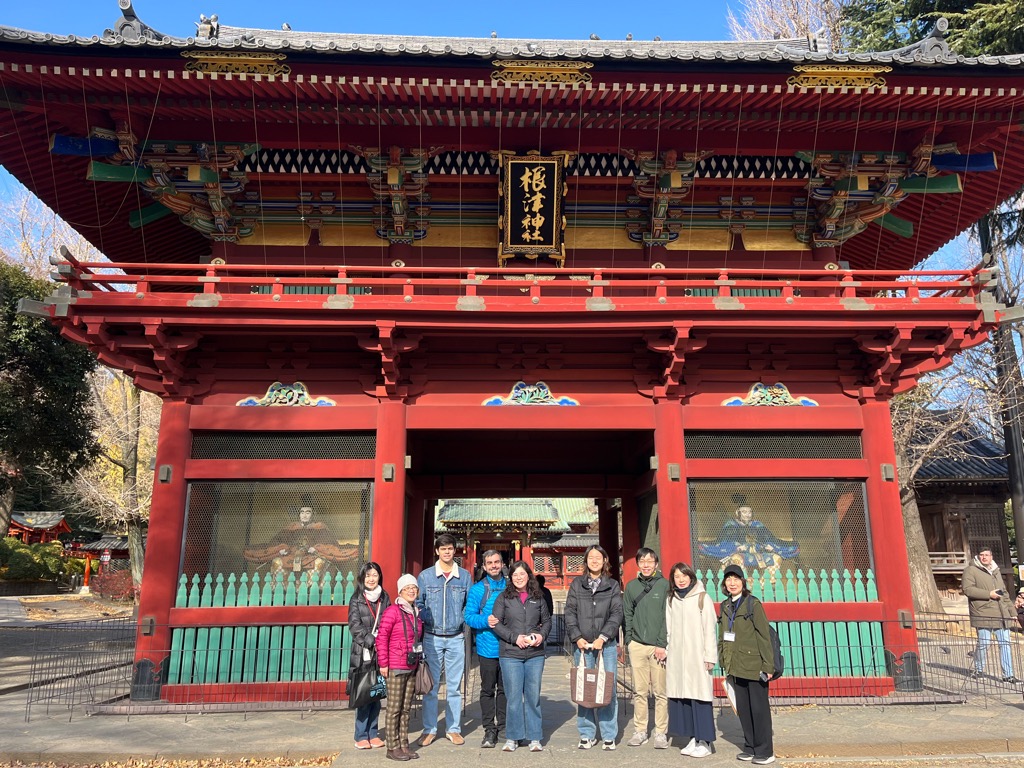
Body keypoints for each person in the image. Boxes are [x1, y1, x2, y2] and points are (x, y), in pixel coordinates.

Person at [564, 544, 624, 751]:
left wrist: (603, 637)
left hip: (605, 644)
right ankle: (586, 733)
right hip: (582, 644)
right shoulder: (577, 585)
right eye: (591, 558)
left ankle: (608, 734)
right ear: (586, 561)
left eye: (599, 557)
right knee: (584, 688)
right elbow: (569, 612)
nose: (595, 561)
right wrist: (577, 637)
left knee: (608, 687)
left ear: (605, 561)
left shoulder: (612, 585)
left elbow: (617, 613)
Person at [416, 533, 472, 746]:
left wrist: (463, 625)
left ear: (454, 551)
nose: (447, 552)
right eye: (443, 548)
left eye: (450, 548)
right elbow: (418, 603)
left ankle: (453, 728)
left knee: (454, 687)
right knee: (431, 687)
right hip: (432, 638)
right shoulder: (426, 576)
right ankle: (429, 729)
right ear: (437, 551)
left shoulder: (464, 576)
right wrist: (426, 617)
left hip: (456, 637)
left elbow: (469, 605)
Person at [491, 560, 552, 753]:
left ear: (528, 576)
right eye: (515, 575)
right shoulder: (504, 597)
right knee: (514, 697)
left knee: (533, 696)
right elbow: (496, 623)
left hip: (535, 654)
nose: (518, 578)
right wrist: (514, 637)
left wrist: (540, 636)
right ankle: (513, 737)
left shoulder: (538, 597)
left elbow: (547, 621)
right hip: (511, 653)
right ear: (511, 577)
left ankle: (534, 737)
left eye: (522, 574)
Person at [718, 564, 775, 765]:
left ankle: (765, 750)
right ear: (724, 583)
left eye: (736, 578)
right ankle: (750, 746)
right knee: (743, 708)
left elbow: (764, 636)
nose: (732, 583)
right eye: (728, 579)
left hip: (754, 664)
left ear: (743, 581)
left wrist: (768, 666)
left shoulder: (753, 604)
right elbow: (722, 636)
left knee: (759, 709)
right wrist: (723, 659)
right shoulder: (725, 606)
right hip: (735, 664)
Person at [665, 562, 718, 759]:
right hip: (679, 657)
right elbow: (669, 629)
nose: (680, 580)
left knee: (700, 697)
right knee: (684, 697)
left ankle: (705, 740)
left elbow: (709, 630)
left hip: (697, 656)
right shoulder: (672, 599)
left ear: (691, 576)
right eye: (676, 576)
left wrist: (710, 656)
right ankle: (693, 738)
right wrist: (669, 652)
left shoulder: (703, 598)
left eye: (684, 575)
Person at [623, 548, 670, 749]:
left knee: (661, 691)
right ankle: (640, 730)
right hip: (637, 645)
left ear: (656, 564)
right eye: (642, 560)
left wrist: (662, 643)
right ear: (638, 563)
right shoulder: (632, 586)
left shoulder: (665, 585)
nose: (646, 564)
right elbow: (628, 614)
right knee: (640, 691)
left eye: (650, 561)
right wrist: (629, 640)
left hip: (658, 647)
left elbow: (667, 616)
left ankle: (660, 732)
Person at [376, 574, 424, 762]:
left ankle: (404, 743)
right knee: (394, 709)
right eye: (407, 588)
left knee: (406, 708)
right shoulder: (392, 611)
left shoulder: (416, 612)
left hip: (411, 664)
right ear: (400, 591)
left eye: (414, 588)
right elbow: (382, 638)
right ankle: (392, 746)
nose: (412, 591)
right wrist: (384, 663)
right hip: (396, 665)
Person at [463, 550, 507, 748]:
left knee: (506, 690)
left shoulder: (511, 586)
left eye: (497, 562)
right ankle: (489, 729)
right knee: (488, 689)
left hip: (509, 647)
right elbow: (469, 617)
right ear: (484, 566)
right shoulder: (477, 589)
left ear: (503, 563)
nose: (494, 565)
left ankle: (505, 727)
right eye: (490, 563)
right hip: (487, 646)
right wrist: (485, 620)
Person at [699, 495, 798, 580]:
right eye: (744, 512)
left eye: (749, 512)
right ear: (738, 513)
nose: (748, 514)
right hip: (741, 554)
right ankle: (743, 582)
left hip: (759, 553)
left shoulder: (757, 524)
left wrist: (771, 547)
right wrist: (737, 547)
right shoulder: (731, 524)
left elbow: (769, 539)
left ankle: (765, 583)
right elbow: (725, 542)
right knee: (736, 559)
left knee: (776, 558)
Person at [349, 561, 391, 750]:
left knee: (376, 693)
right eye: (368, 576)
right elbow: (355, 626)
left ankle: (373, 733)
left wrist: (382, 641)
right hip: (363, 653)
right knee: (364, 694)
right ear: (362, 578)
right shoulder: (356, 599)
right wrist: (371, 640)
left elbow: (389, 620)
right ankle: (360, 735)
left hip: (381, 652)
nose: (372, 579)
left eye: (375, 575)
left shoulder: (385, 597)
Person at [962, 548, 1020, 683]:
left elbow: (1004, 593)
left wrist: (1013, 612)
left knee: (1005, 643)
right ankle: (978, 669)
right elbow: (967, 589)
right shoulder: (971, 570)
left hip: (1001, 612)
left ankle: (1008, 675)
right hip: (983, 612)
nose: (984, 557)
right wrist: (989, 594)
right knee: (984, 643)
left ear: (991, 556)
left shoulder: (995, 570)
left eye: (986, 555)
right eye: (981, 555)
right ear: (978, 556)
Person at [243, 504, 354, 575]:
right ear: (299, 515)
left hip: (311, 556)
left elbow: (330, 543)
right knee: (277, 561)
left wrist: (316, 549)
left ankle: (312, 590)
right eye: (302, 512)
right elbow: (277, 540)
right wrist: (281, 549)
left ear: (313, 515)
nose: (304, 515)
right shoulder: (291, 528)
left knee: (319, 562)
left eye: (308, 512)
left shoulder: (320, 527)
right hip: (291, 555)